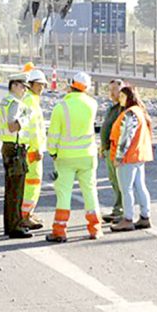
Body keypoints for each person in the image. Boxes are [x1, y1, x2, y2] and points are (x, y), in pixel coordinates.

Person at [45, 71, 100, 243]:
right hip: (88, 156)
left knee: (64, 193)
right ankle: (95, 229)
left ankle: (60, 231)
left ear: (70, 85)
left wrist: (52, 152)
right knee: (90, 191)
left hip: (66, 157)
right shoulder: (93, 104)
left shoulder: (61, 107)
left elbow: (53, 135)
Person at [110, 85, 154, 232]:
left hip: (128, 157)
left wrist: (118, 156)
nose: (119, 99)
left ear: (128, 98)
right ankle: (145, 216)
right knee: (140, 187)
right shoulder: (140, 112)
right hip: (139, 156)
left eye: (122, 96)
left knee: (126, 188)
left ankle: (127, 219)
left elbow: (126, 137)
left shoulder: (130, 113)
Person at [0, 73, 32, 239]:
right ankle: (16, 227)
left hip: (6, 146)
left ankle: (10, 225)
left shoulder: (3, 101)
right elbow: (12, 126)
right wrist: (25, 118)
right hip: (16, 149)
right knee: (16, 190)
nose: (25, 90)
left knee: (10, 189)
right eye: (23, 86)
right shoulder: (16, 103)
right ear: (15, 85)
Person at [20, 68, 48, 229]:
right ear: (30, 84)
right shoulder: (30, 101)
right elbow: (33, 129)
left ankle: (28, 212)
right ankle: (25, 215)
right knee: (33, 182)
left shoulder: (31, 99)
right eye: (39, 85)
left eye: (43, 85)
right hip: (32, 150)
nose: (42, 88)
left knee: (30, 183)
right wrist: (37, 148)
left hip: (30, 148)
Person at [99, 79, 125, 223]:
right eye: (110, 89)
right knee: (113, 180)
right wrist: (102, 147)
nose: (112, 93)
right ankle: (118, 209)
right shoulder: (111, 108)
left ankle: (121, 210)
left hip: (117, 151)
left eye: (115, 89)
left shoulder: (123, 109)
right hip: (109, 150)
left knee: (120, 181)